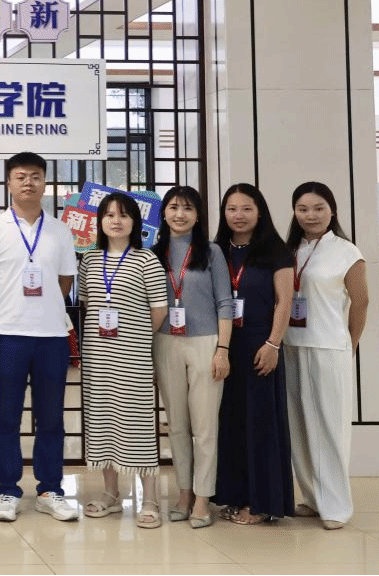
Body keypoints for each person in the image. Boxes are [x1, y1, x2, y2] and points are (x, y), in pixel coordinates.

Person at [0, 152, 79, 523]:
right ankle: (8, 490)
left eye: (35, 176)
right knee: (7, 416)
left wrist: (45, 305)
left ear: (44, 182)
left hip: (52, 335)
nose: (28, 183)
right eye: (20, 176)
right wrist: (7, 309)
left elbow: (65, 280)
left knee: (51, 417)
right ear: (9, 182)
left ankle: (50, 489)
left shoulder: (60, 230)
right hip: (8, 335)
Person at [78, 192, 168, 529]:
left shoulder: (146, 260)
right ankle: (110, 494)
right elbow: (87, 304)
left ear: (135, 222)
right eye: (109, 215)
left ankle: (150, 499)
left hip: (133, 357)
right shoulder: (89, 260)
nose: (116, 221)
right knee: (102, 422)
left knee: (138, 425)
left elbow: (159, 310)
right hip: (98, 357)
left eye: (124, 215)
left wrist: (135, 336)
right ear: (100, 221)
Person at [283, 182, 367, 530]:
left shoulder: (346, 251)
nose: (311, 215)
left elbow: (361, 301)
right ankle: (313, 498)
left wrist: (351, 343)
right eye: (303, 209)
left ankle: (337, 507)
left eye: (318, 208)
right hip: (291, 345)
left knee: (330, 427)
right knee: (299, 427)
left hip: (329, 347)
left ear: (332, 210)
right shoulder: (290, 250)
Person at [150, 185, 232, 528]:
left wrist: (223, 350)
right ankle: (183, 493)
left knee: (205, 426)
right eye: (173, 207)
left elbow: (225, 302)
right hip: (165, 342)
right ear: (164, 214)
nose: (180, 214)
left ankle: (202, 497)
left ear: (198, 215)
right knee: (178, 426)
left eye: (187, 208)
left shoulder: (211, 252)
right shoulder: (152, 253)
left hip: (206, 343)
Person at [213, 182, 294, 525]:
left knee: (261, 425)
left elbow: (284, 301)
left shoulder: (275, 250)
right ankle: (235, 495)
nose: (239, 215)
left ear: (260, 211)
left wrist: (273, 343)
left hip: (261, 345)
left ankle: (263, 503)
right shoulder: (217, 250)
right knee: (231, 423)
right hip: (225, 346)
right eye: (232, 208)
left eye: (247, 208)